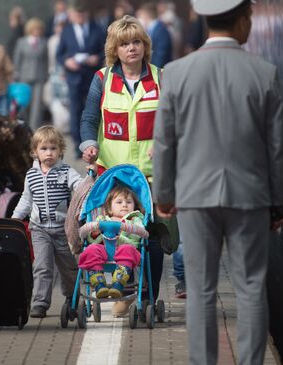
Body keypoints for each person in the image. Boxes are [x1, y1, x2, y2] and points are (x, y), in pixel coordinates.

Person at [151, 1, 283, 364]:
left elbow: (164, 141)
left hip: (194, 197)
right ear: (243, 20)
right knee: (251, 288)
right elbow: (277, 149)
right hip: (251, 196)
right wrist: (279, 201)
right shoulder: (263, 73)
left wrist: (163, 194)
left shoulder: (177, 73)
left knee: (200, 291)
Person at [80, 15, 165, 317]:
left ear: (145, 46)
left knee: (149, 238)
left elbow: (174, 120)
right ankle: (120, 288)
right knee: (110, 236)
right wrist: (88, 144)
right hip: (111, 177)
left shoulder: (160, 77)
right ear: (114, 49)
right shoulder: (102, 79)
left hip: (150, 177)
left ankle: (146, 295)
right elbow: (89, 118)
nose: (132, 48)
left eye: (137, 42)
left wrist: (164, 141)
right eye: (125, 43)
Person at [11, 126, 81, 318]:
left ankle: (73, 297)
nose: (49, 153)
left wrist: (85, 184)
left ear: (60, 151)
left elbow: (79, 185)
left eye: (53, 148)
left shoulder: (66, 172)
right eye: (44, 149)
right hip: (39, 229)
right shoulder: (31, 175)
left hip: (62, 229)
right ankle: (40, 302)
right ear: (35, 151)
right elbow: (26, 200)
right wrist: (15, 219)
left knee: (69, 267)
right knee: (42, 266)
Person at [79, 185, 146, 298]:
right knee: (91, 249)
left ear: (134, 206)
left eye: (129, 202)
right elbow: (91, 239)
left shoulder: (135, 219)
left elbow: (137, 238)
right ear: (110, 208)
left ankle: (118, 283)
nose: (124, 205)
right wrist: (95, 234)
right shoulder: (102, 219)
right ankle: (99, 284)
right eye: (119, 202)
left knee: (128, 249)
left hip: (125, 252)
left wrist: (122, 234)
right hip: (104, 252)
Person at [56, 2, 105, 157]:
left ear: (87, 14)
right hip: (74, 77)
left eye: (82, 14)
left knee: (94, 110)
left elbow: (105, 50)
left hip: (92, 76)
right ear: (72, 14)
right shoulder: (67, 31)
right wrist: (67, 61)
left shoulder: (97, 29)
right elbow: (59, 54)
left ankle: (95, 144)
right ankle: (79, 145)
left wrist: (96, 58)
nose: (80, 17)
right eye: (77, 14)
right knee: (76, 110)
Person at [13, 18, 49, 131]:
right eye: (35, 29)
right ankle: (24, 125)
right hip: (24, 76)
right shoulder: (21, 42)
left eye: (39, 29)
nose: (37, 31)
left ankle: (34, 128)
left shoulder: (44, 42)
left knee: (37, 105)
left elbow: (46, 60)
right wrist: (16, 74)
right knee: (24, 102)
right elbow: (17, 59)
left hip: (39, 76)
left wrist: (46, 74)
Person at [136, 3, 172, 68]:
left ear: (147, 15)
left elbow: (161, 55)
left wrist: (153, 72)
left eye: (140, 16)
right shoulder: (151, 29)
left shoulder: (161, 30)